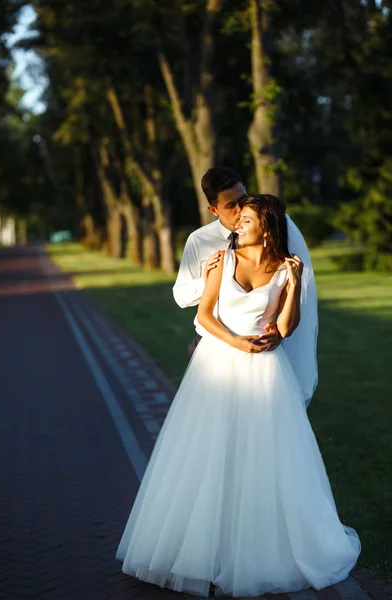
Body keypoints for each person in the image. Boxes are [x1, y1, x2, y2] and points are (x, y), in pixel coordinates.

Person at [116, 193, 360, 598]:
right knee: (207, 453)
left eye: (246, 220)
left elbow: (284, 328)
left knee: (264, 457)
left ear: (266, 226)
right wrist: (237, 343)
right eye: (238, 219)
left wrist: (295, 282)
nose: (238, 226)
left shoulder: (284, 269)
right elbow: (204, 315)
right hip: (217, 367)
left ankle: (259, 550)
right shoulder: (222, 260)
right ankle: (198, 551)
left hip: (266, 374)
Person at [173, 167, 281, 360]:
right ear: (213, 210)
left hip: (262, 345)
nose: (240, 211)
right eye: (231, 205)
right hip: (210, 345)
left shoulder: (272, 233)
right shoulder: (199, 240)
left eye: (243, 200)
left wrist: (279, 327)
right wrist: (209, 280)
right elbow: (180, 297)